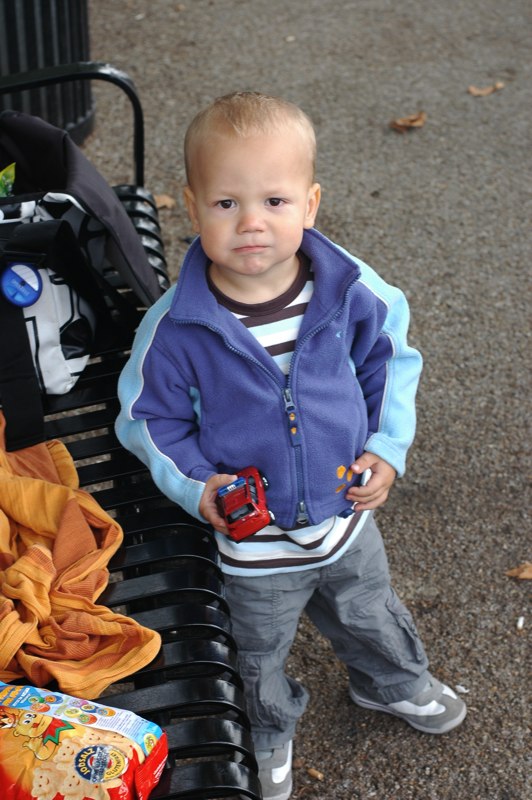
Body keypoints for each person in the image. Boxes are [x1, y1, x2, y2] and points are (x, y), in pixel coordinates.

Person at [115, 91, 466, 800]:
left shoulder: (349, 290)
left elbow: (390, 362)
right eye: (226, 203)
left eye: (274, 201)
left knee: (369, 611)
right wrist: (196, 484)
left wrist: (387, 446)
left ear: (310, 204)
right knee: (258, 650)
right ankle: (269, 730)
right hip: (254, 546)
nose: (251, 222)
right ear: (193, 207)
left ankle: (389, 681)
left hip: (347, 516)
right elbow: (149, 420)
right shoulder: (178, 328)